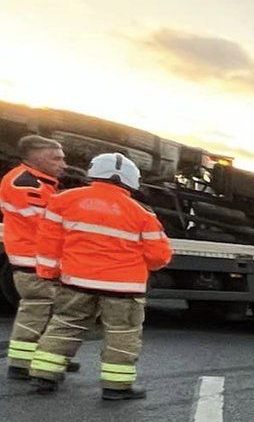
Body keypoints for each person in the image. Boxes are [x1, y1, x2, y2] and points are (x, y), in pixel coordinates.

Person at [29, 153, 172, 399]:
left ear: (94, 172)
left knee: (65, 324)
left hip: (76, 281)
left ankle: (44, 375)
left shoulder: (63, 201)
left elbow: (49, 242)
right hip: (124, 288)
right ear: (131, 181)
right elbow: (159, 256)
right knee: (122, 334)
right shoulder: (142, 214)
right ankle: (116, 387)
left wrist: (49, 272)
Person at [0, 135, 79, 380]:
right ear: (36, 158)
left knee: (41, 310)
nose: (63, 165)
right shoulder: (26, 184)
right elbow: (46, 223)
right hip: (33, 260)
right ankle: (23, 365)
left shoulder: (34, 181)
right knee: (37, 310)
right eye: (57, 159)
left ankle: (38, 359)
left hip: (35, 259)